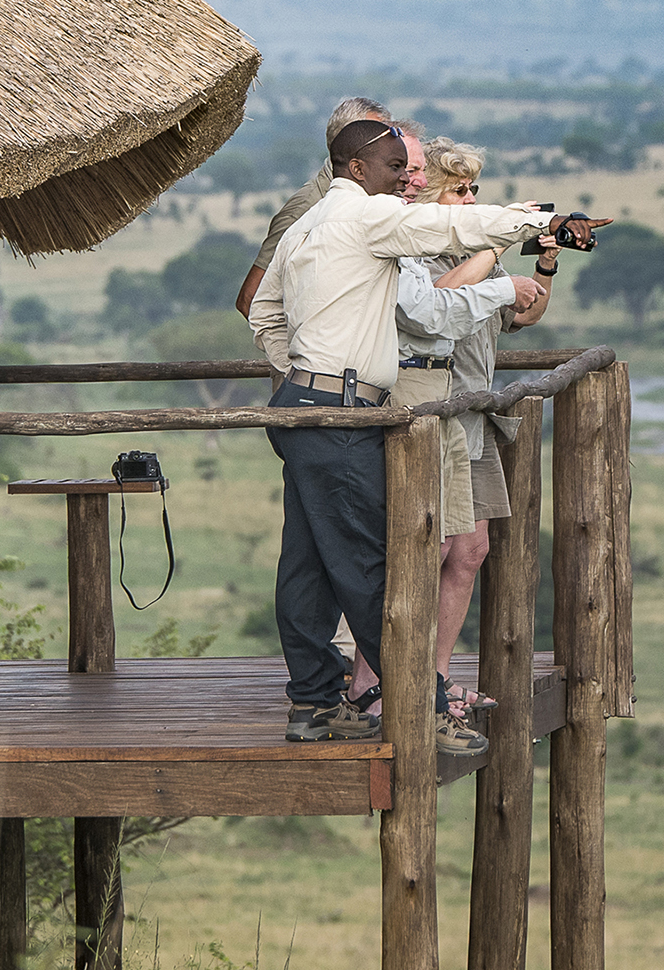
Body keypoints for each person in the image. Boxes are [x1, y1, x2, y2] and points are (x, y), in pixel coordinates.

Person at [246, 116, 582, 747]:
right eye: (396, 168)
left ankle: (315, 703)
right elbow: (450, 225)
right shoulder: (365, 216)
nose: (407, 180)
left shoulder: (308, 225)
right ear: (357, 169)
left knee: (309, 565)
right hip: (343, 412)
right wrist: (534, 221)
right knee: (372, 566)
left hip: (304, 406)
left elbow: (265, 310)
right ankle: (421, 710)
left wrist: (304, 369)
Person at [396, 140, 545, 713]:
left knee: (470, 550)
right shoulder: (416, 249)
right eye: (459, 190)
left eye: (475, 190)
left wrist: (544, 261)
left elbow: (524, 315)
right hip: (435, 411)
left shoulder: (483, 251)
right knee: (428, 547)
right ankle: (396, 680)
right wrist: (496, 238)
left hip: (473, 412)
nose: (471, 198)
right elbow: (438, 301)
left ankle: (432, 676)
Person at [234, 94, 388, 331]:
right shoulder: (306, 206)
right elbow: (250, 299)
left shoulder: (372, 199)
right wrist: (300, 358)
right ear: (346, 144)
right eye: (377, 141)